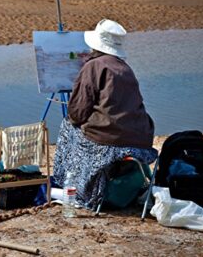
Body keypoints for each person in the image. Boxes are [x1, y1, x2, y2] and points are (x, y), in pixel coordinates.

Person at [53, 19, 158, 210]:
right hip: (140, 140)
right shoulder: (125, 68)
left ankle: (74, 186)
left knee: (68, 127)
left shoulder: (93, 66)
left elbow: (77, 112)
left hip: (111, 142)